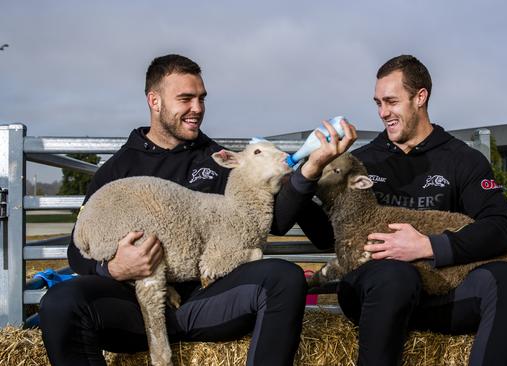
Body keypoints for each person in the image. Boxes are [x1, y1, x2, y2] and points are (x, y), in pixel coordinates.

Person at [38, 54, 357, 366]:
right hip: (134, 306)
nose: (198, 109)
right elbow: (77, 253)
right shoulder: (116, 171)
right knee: (59, 303)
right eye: (186, 99)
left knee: (284, 277)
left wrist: (309, 170)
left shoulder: (218, 160)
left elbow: (276, 221)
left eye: (202, 98)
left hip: (206, 301)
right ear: (155, 101)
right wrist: (113, 270)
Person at [297, 55, 507, 366]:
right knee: (395, 275)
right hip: (373, 294)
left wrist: (428, 245)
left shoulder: (463, 160)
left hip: (439, 297)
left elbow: (500, 229)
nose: (383, 112)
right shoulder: (364, 161)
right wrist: (302, 179)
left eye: (391, 101)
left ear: (420, 97)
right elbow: (327, 236)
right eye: (378, 103)